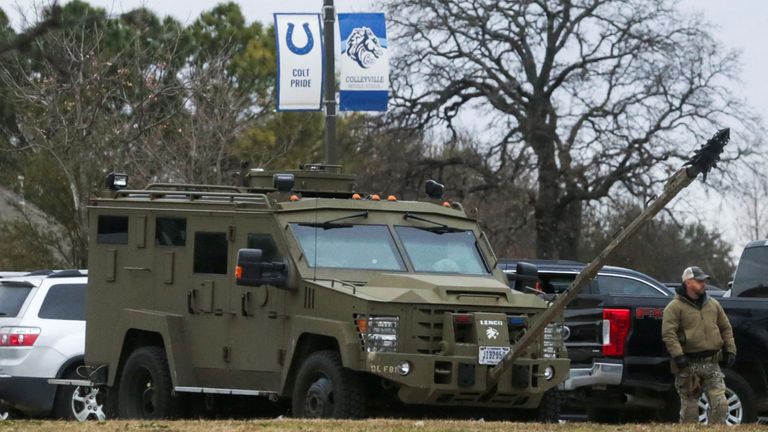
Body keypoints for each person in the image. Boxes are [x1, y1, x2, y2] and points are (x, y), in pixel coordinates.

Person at [661, 266, 736, 424]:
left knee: (721, 406)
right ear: (688, 282)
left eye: (704, 281)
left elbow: (725, 328)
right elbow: (669, 334)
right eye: (699, 281)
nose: (704, 284)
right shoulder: (674, 307)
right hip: (688, 364)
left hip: (711, 363)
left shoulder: (713, 304)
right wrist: (679, 356)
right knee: (690, 410)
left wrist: (730, 350)